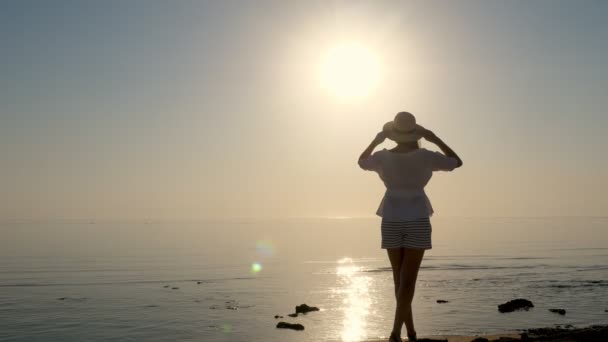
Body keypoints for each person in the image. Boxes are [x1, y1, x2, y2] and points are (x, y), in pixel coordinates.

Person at [357, 111, 462, 342]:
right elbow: (457, 162)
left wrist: (376, 139)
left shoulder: (382, 156)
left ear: (393, 136)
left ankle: (411, 333)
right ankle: (396, 333)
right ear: (416, 134)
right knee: (408, 280)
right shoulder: (426, 156)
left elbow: (361, 161)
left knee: (399, 279)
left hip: (391, 217)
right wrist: (435, 138)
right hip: (417, 218)